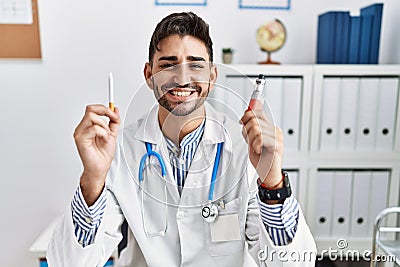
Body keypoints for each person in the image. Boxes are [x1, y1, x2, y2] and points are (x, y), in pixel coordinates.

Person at [47, 11, 316, 266]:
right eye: (168, 64)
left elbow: (293, 263)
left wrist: (272, 182)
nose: (182, 78)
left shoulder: (244, 149)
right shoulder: (120, 150)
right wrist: (92, 178)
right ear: (149, 75)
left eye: (196, 65)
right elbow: (68, 263)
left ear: (212, 76)